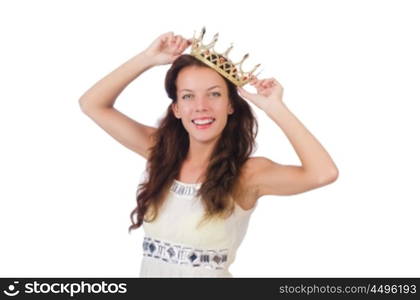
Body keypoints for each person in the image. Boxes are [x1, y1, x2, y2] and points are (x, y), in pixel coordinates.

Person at [79, 29, 339, 277]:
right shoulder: (161, 153)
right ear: (177, 109)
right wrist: (147, 59)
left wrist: (275, 108)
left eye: (214, 94)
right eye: (188, 96)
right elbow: (91, 104)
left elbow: (323, 173)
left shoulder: (248, 174)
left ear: (230, 105)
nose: (201, 107)